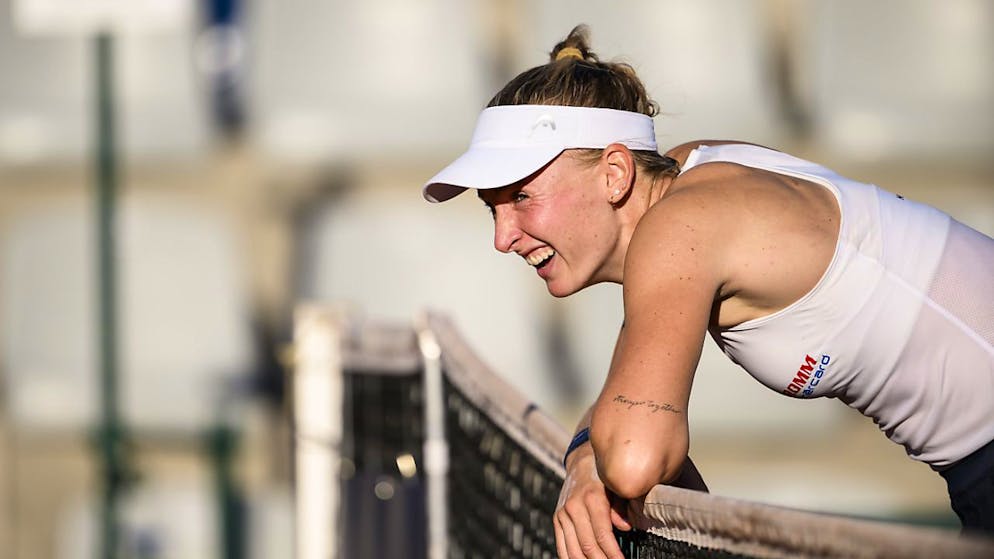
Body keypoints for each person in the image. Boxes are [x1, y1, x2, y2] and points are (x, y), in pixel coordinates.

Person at [422, 25, 994, 558]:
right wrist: (581, 462)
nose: (501, 238)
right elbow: (625, 399)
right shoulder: (685, 180)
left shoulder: (681, 229)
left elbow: (635, 460)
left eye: (521, 197)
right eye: (490, 209)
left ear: (616, 173)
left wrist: (594, 460)